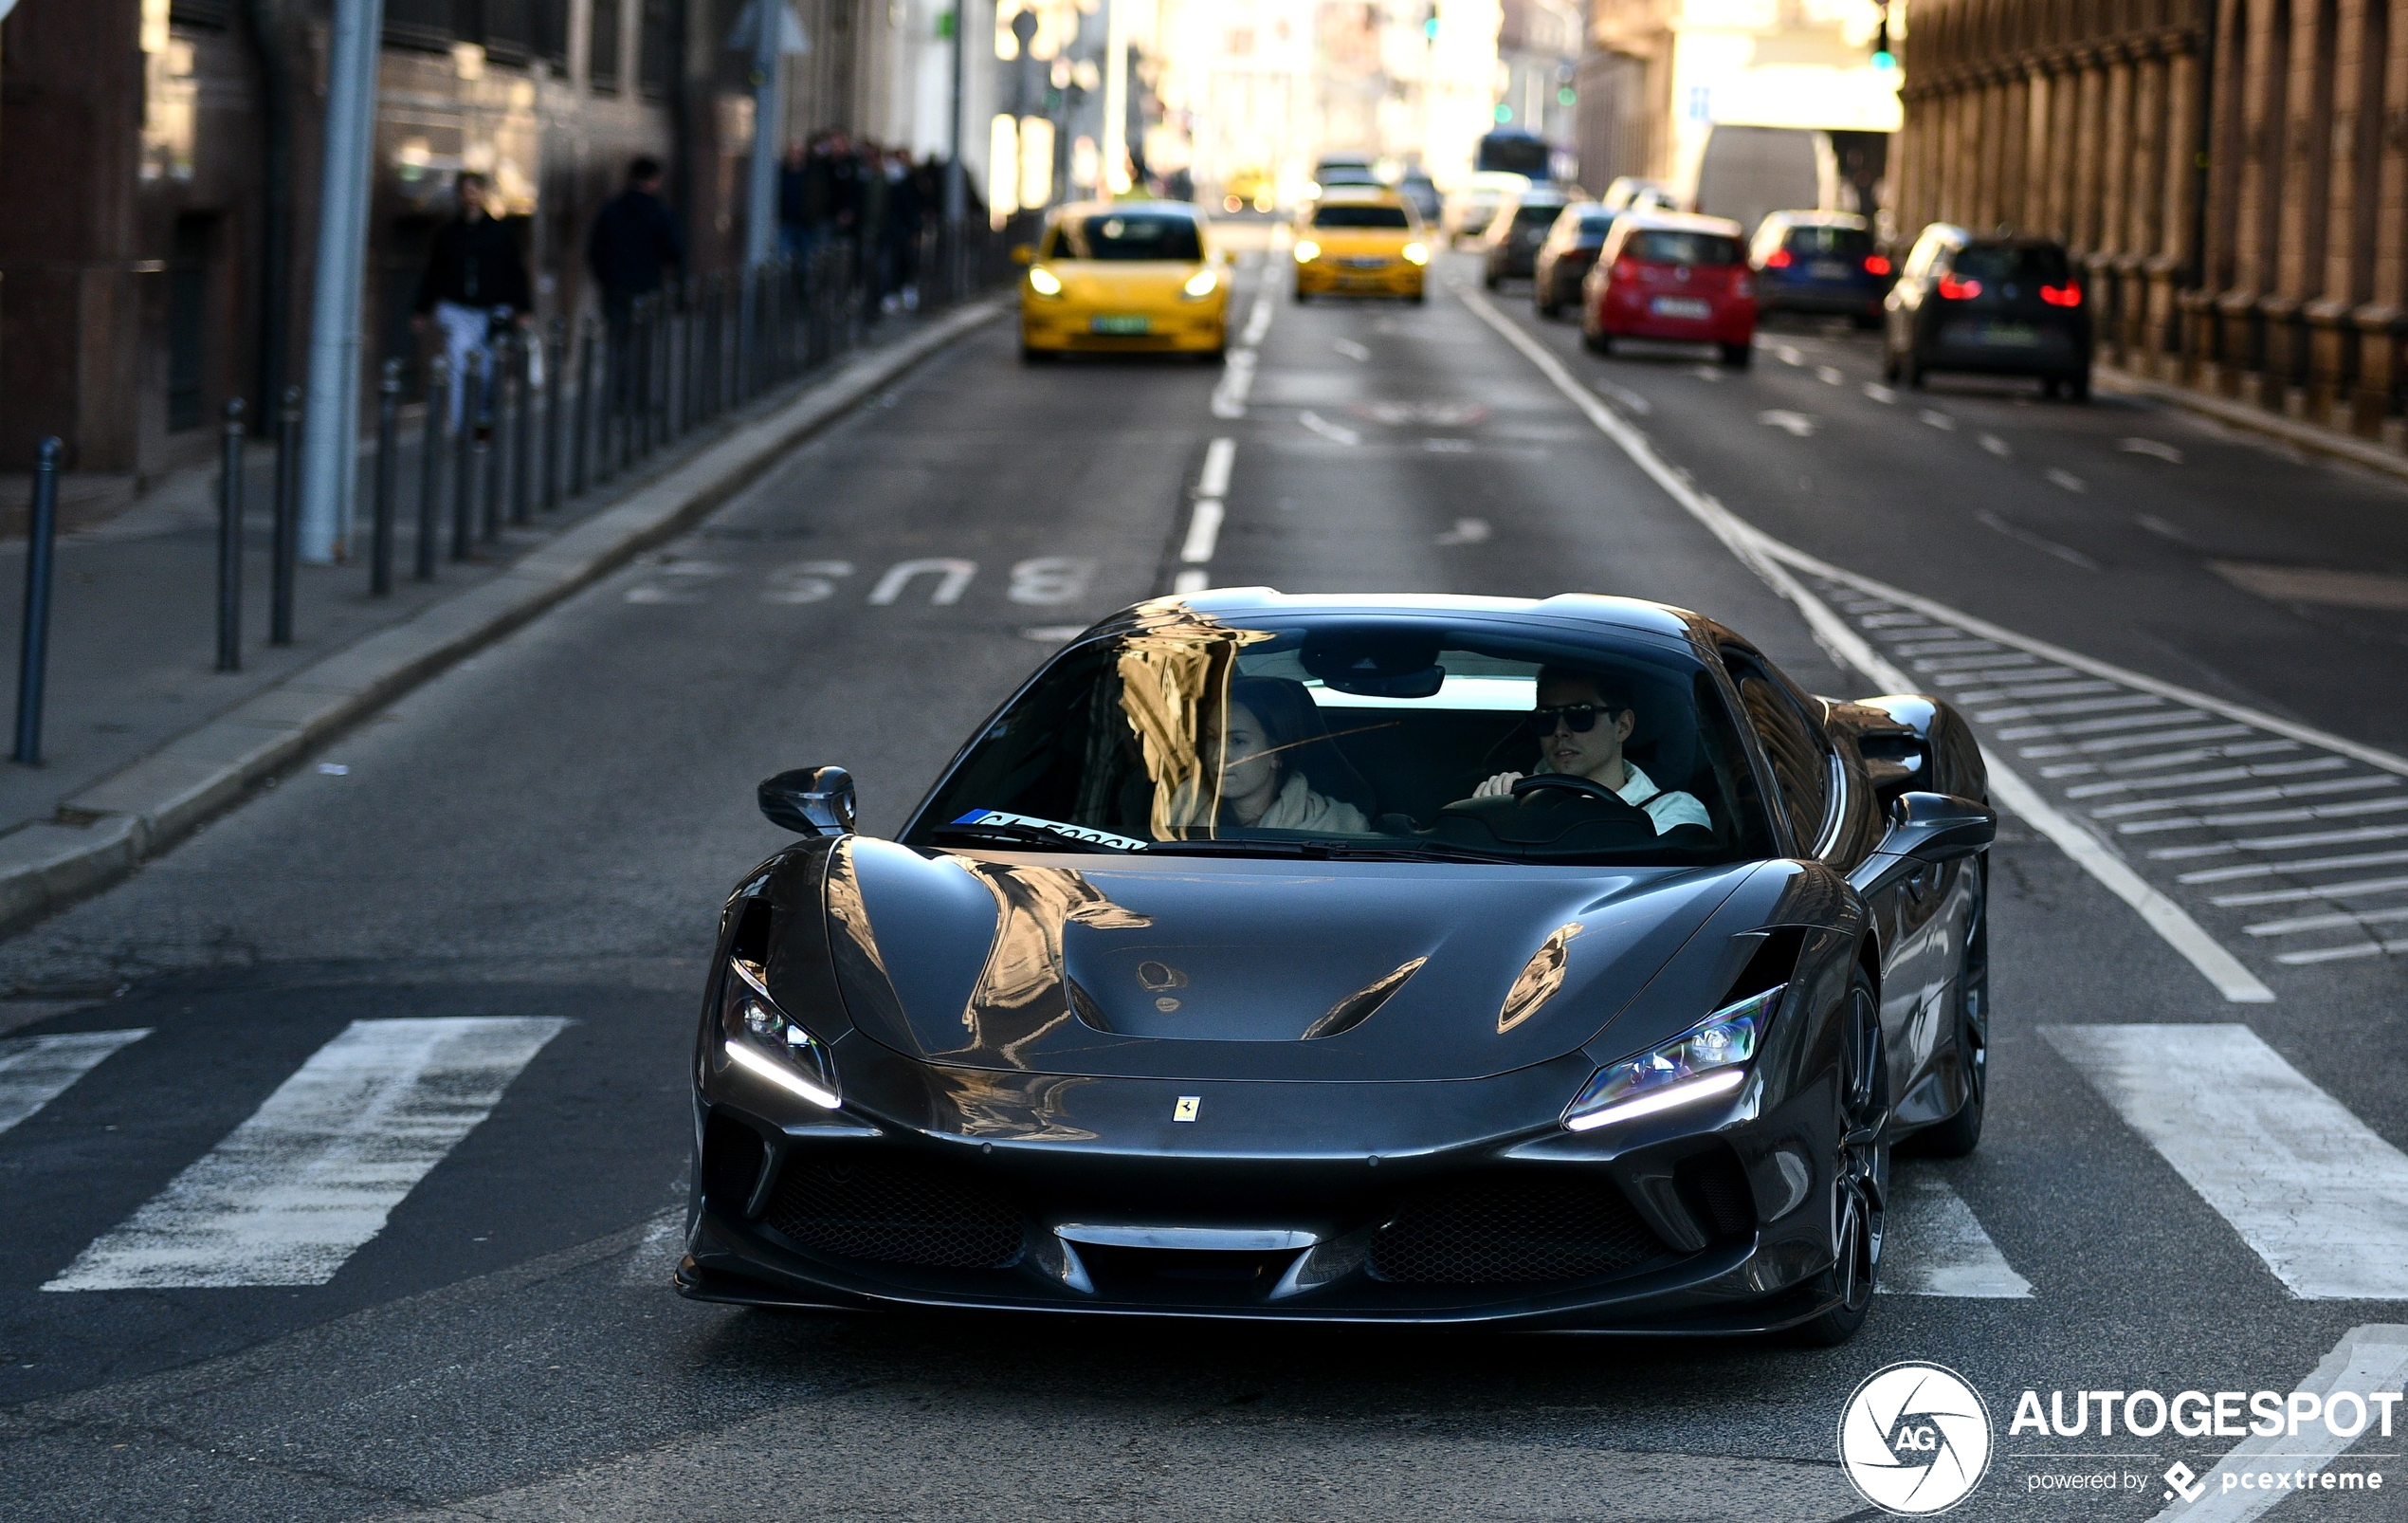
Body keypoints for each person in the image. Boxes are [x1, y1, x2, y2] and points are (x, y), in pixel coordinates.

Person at [1472, 667, 1710, 834]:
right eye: (1546, 718)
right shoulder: (1510, 800)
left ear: (1623, 726)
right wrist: (1494, 816)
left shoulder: (1672, 811)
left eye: (1579, 715)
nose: (1560, 731)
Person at [1170, 678, 1370, 834]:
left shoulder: (1336, 828)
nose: (1216, 757)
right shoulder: (1176, 813)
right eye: (1212, 739)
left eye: (1237, 741)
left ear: (1277, 754)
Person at [413, 171, 532, 431]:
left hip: (490, 311)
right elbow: (434, 271)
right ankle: (460, 424)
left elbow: (514, 270)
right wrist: (421, 309)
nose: (471, 196)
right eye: (466, 191)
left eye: (476, 190)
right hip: (458, 308)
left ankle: (482, 420)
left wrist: (523, 308)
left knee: (488, 370)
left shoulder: (500, 232)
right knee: (458, 367)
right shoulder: (448, 233)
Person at [585, 156, 684, 412]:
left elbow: (595, 250)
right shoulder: (659, 212)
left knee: (618, 345)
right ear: (653, 181)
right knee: (645, 348)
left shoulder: (612, 209)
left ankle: (618, 397)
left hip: (616, 287)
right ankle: (640, 400)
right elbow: (674, 250)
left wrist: (606, 278)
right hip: (646, 288)